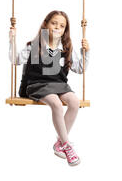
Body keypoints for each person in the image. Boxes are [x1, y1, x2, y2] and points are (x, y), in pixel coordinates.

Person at [9, 10, 90, 166]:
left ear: (65, 30)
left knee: (74, 101)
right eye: (54, 23)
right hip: (37, 84)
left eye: (62, 25)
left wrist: (86, 52)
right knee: (56, 104)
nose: (57, 28)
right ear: (46, 24)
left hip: (59, 84)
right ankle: (67, 146)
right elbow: (15, 59)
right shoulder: (36, 46)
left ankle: (60, 143)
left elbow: (80, 68)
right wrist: (12, 39)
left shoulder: (66, 48)